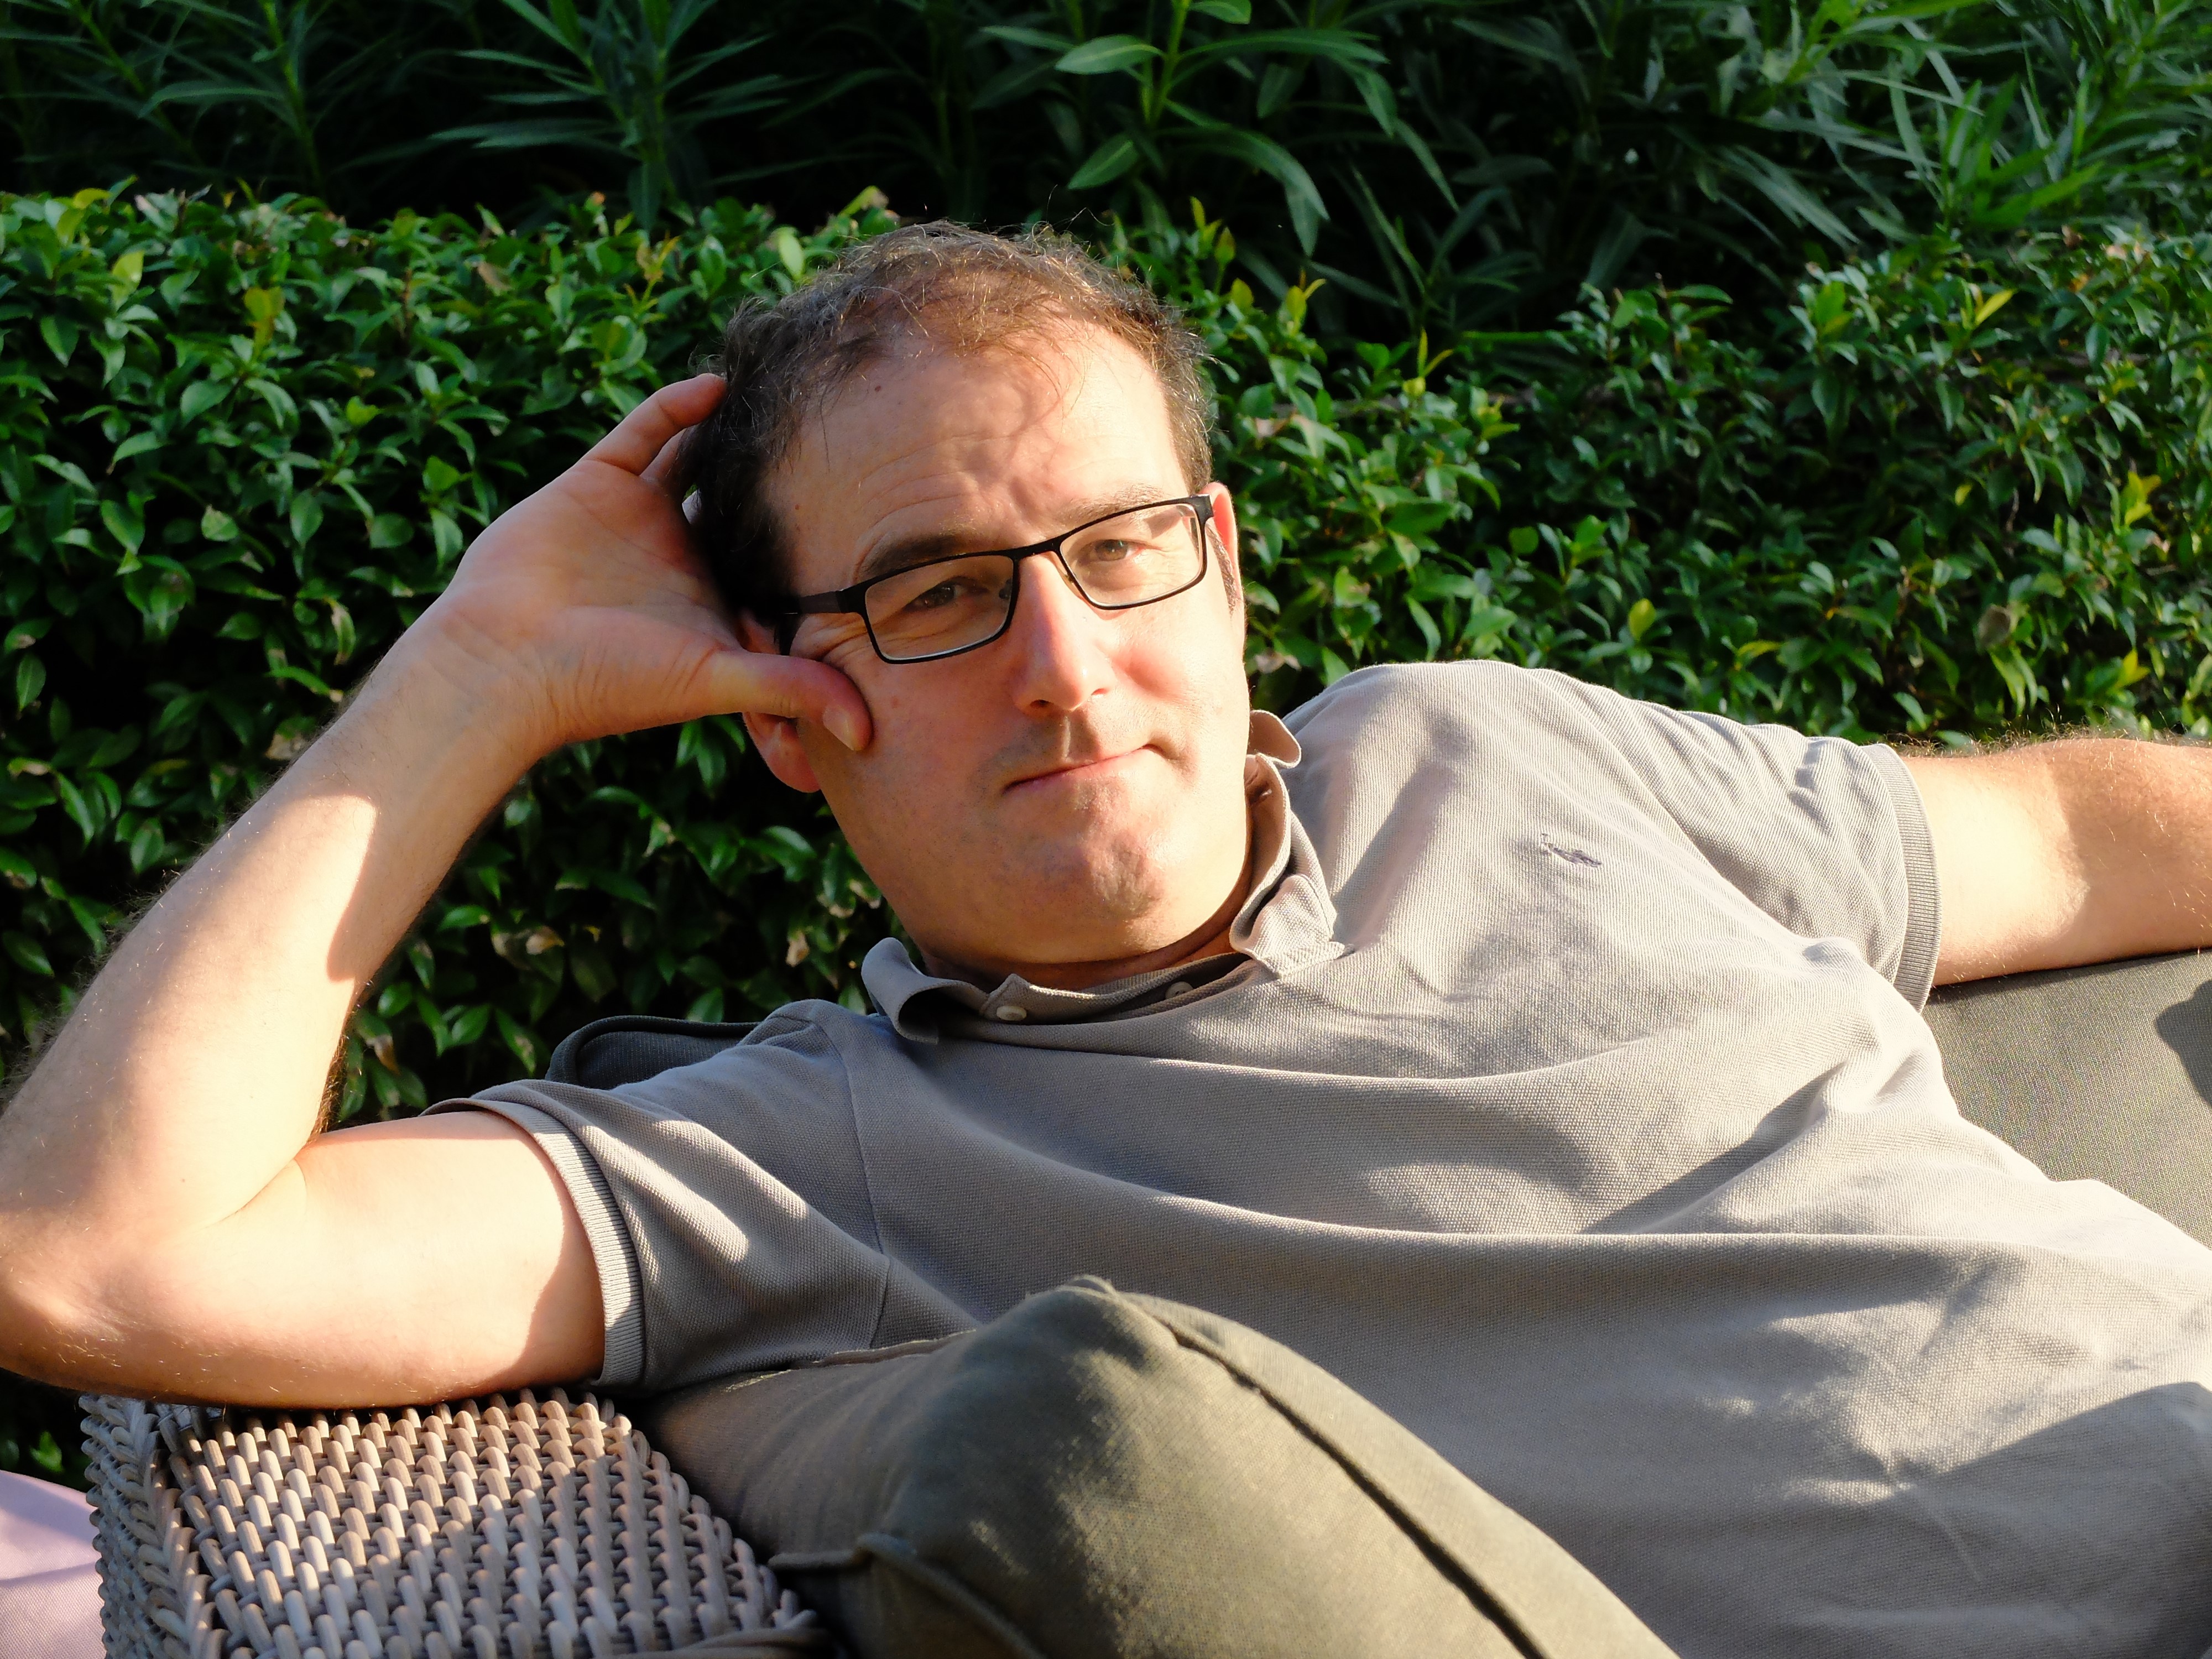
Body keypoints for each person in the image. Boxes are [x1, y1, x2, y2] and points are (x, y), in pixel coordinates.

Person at [4, 221, 2212, 1658]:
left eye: (1121, 547)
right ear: (784, 706)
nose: (1065, 669)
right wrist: (478, 667)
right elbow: (90, 1251)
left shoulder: (1497, 750)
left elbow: (2063, 837)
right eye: (938, 595)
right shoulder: (815, 1159)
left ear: (1221, 562)